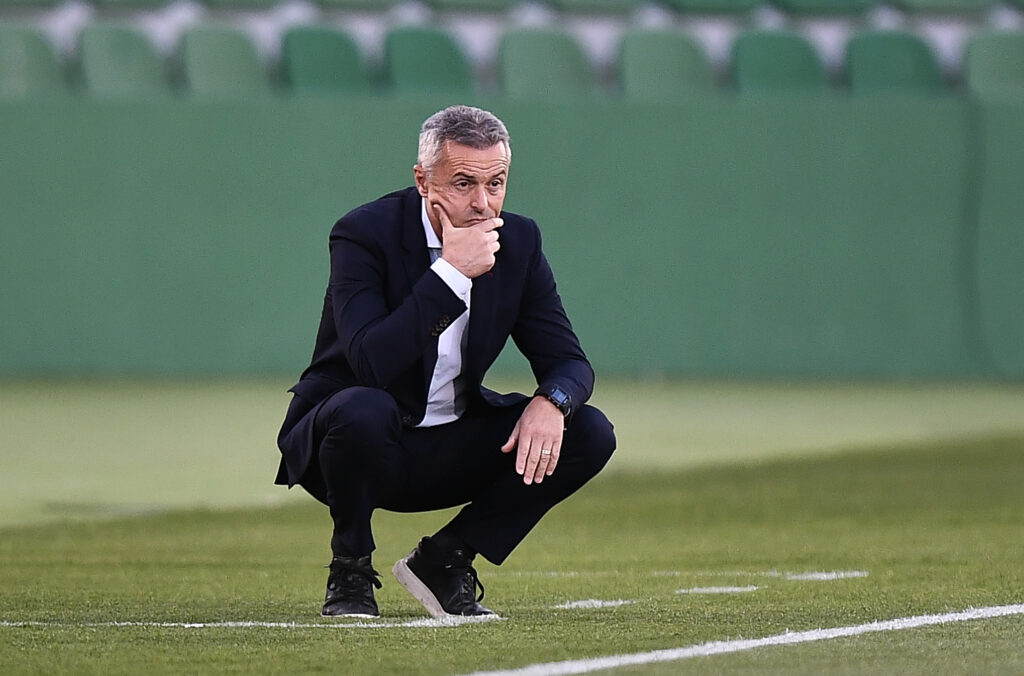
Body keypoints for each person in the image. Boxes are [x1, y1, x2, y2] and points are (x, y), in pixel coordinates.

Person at [275, 105, 615, 619]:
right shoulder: (363, 233)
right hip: (350, 448)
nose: (483, 203)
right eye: (463, 184)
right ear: (423, 182)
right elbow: (370, 362)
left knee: (588, 431)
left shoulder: (519, 242)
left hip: (448, 442)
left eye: (496, 183)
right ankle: (350, 568)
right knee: (364, 409)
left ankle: (446, 558)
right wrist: (452, 273)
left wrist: (553, 401)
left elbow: (568, 360)